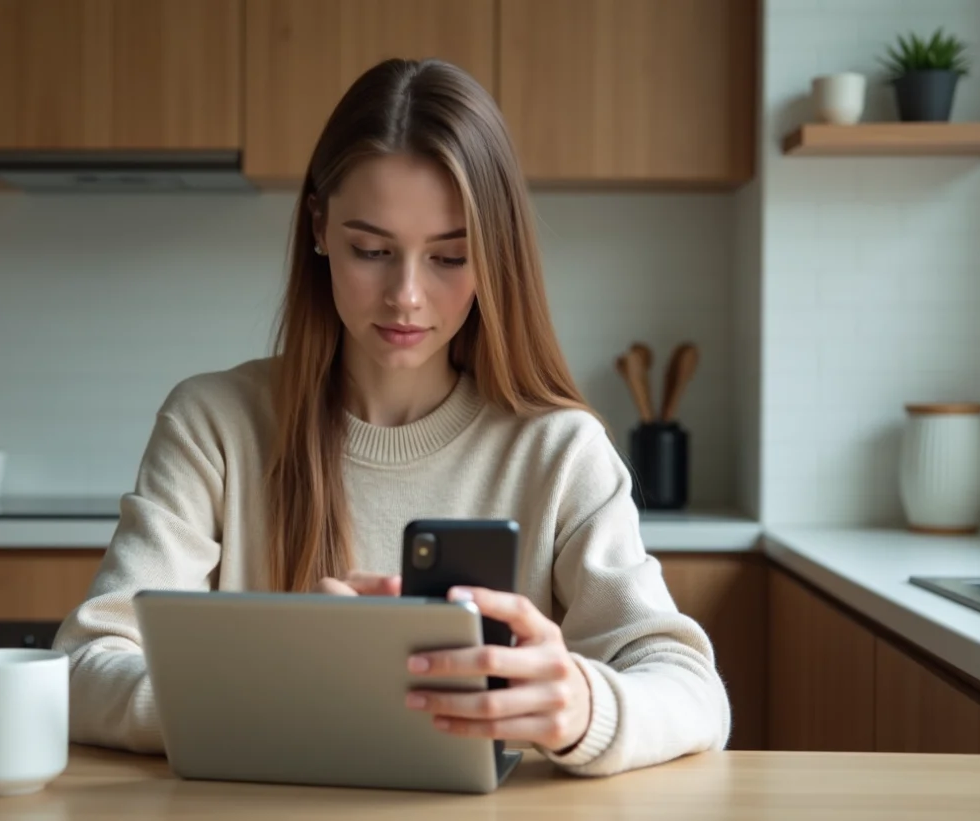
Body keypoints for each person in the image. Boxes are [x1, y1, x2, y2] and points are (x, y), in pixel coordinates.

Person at [52, 57, 730, 777]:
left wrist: (582, 706)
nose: (405, 295)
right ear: (318, 226)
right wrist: (283, 692)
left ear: (495, 256)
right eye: (371, 250)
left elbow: (693, 691)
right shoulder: (213, 425)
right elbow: (81, 668)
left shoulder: (559, 450)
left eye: (450, 256)